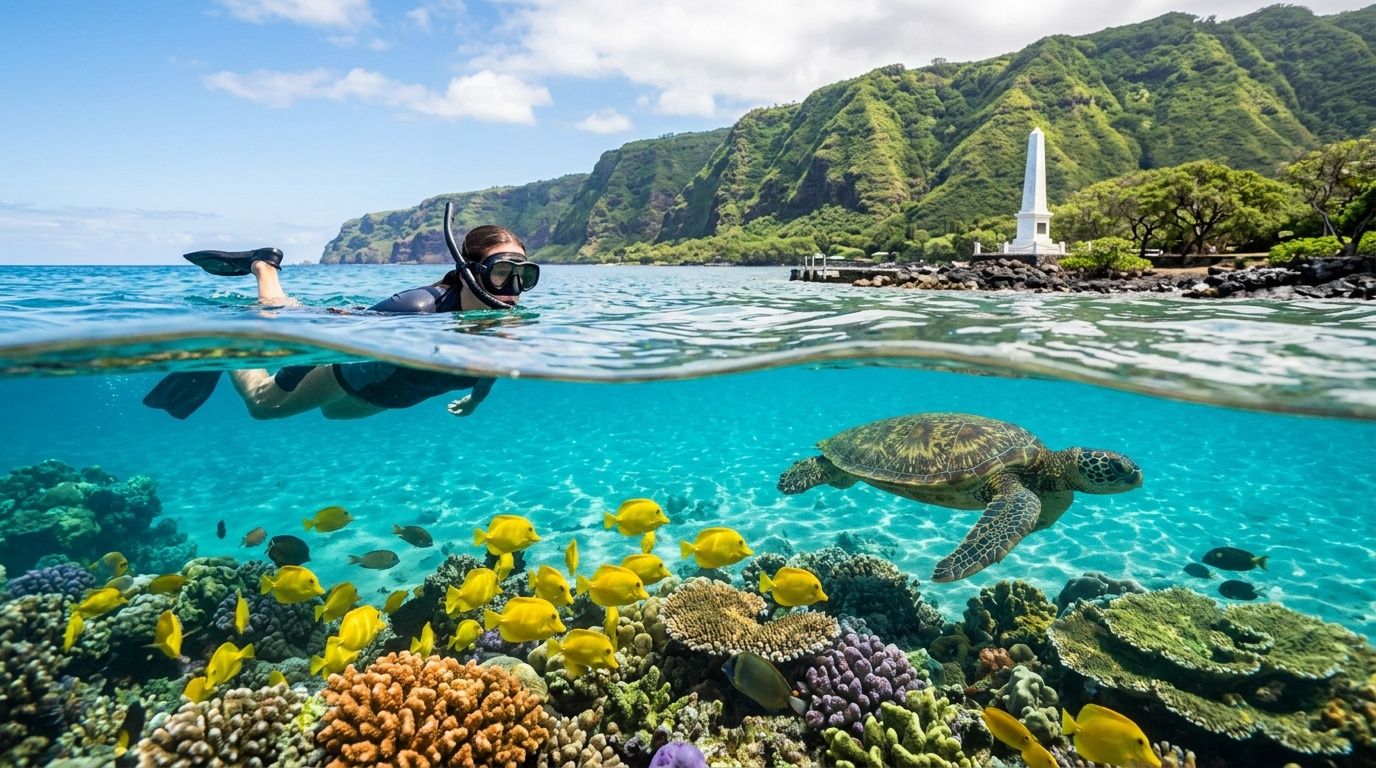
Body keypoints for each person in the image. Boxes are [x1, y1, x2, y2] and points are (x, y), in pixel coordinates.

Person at [144, 204, 539, 420]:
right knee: (264, 407)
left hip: (386, 392)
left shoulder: (501, 325)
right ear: (468, 273)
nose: (513, 292)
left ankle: (277, 292)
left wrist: (477, 399)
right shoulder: (416, 310)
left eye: (525, 276)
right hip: (350, 372)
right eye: (502, 274)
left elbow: (490, 364)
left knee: (334, 416)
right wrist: (290, 372)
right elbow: (334, 335)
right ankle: (253, 290)